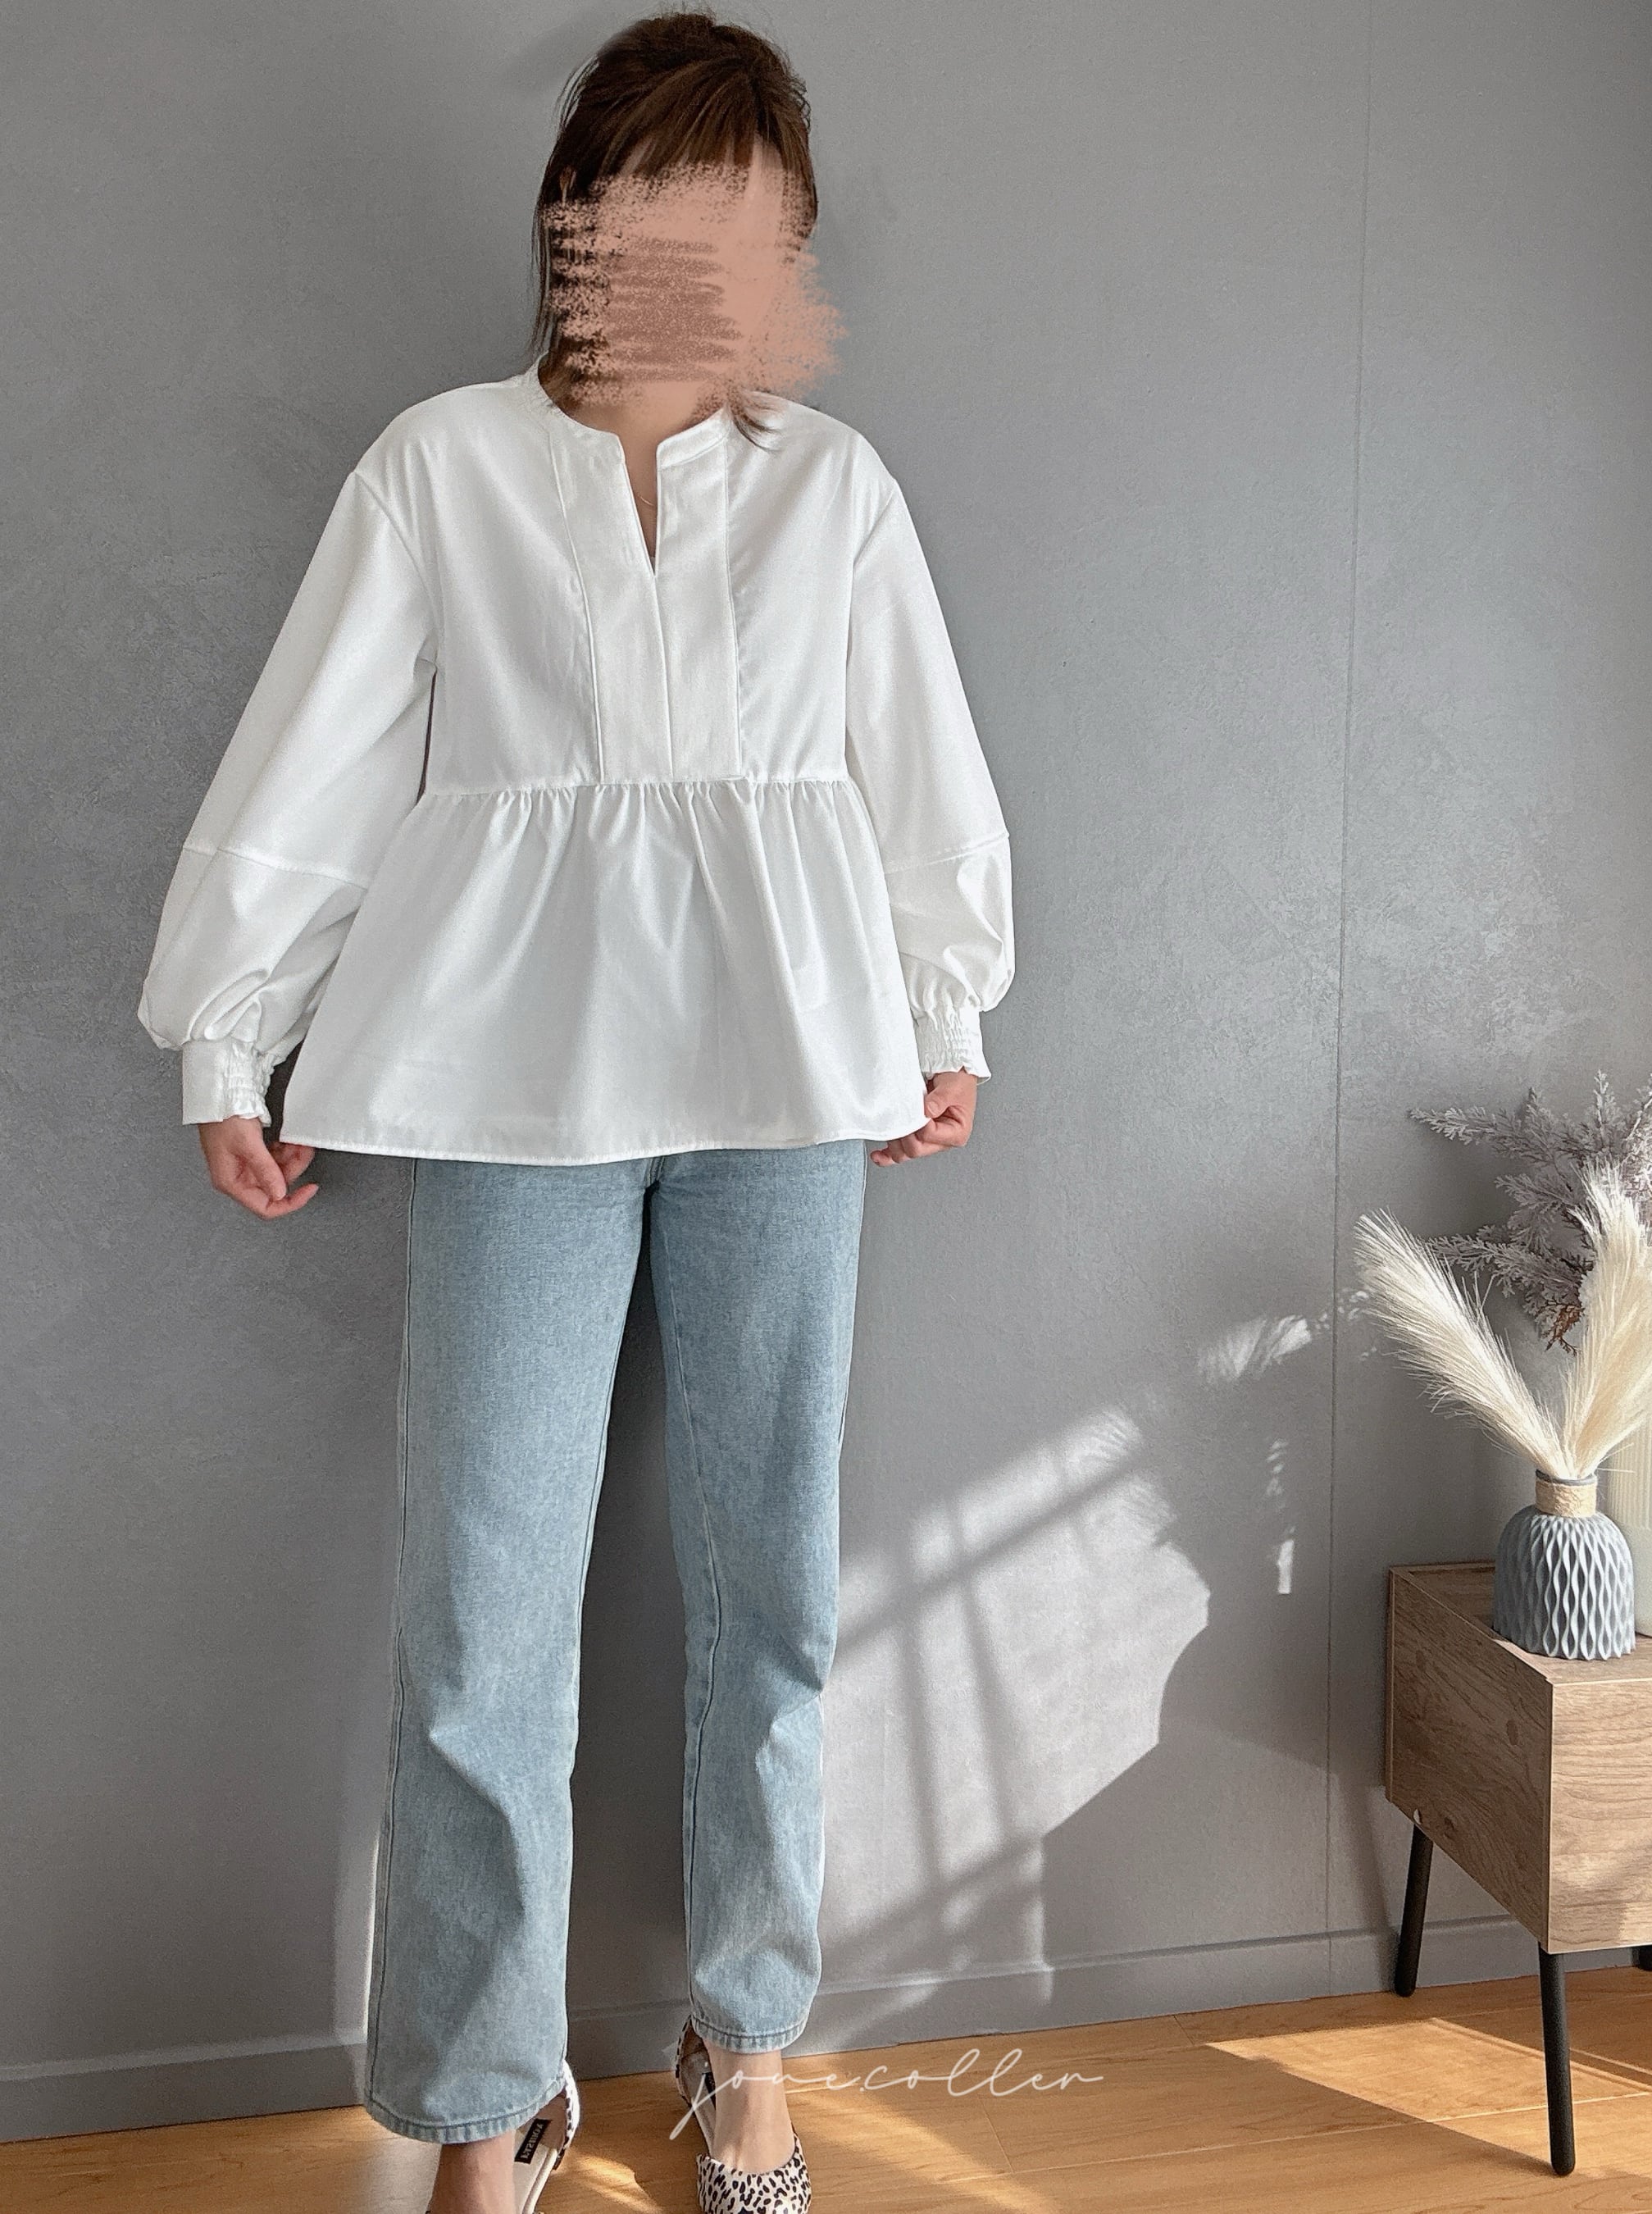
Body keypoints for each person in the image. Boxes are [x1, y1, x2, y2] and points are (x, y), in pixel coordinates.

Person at [135, 13, 1014, 2213]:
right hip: (513, 1086)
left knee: (774, 1585)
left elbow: (915, 764)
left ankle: (746, 2040)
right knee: (481, 1613)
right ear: (584, 222)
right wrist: (232, 1030)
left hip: (785, 1085)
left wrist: (943, 1004)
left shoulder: (834, 490)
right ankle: (486, 2095)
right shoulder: (440, 469)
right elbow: (321, 756)